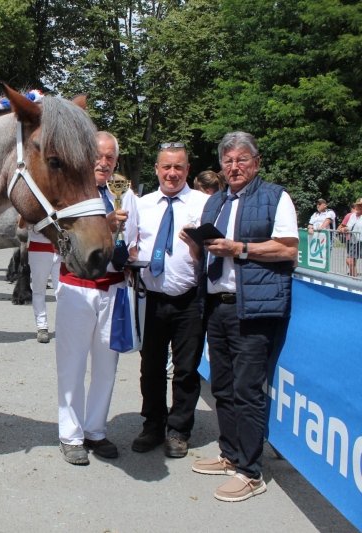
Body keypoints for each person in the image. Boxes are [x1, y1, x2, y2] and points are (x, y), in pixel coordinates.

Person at [182, 131, 298, 502]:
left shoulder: (276, 197)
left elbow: (287, 249)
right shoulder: (214, 201)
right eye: (228, 161)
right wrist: (196, 248)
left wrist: (240, 248)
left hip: (254, 308)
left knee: (248, 390)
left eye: (242, 160)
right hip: (216, 305)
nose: (234, 167)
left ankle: (251, 470)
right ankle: (230, 453)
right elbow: (209, 256)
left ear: (256, 162)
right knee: (222, 387)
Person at [55, 131, 138, 464]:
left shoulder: (125, 193)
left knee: (107, 367)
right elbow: (63, 239)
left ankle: (96, 430)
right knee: (72, 366)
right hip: (77, 286)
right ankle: (71, 436)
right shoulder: (71, 192)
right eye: (98, 157)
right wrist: (103, 225)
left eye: (110, 158)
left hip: (114, 288)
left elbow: (134, 238)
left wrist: (131, 253)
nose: (103, 164)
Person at [128, 142, 210, 458]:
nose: (172, 173)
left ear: (188, 170)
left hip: (189, 300)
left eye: (178, 167)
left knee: (187, 370)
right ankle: (152, 426)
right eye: (166, 167)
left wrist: (198, 249)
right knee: (150, 367)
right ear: (157, 169)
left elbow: (214, 252)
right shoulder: (143, 204)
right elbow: (132, 242)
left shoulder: (204, 204)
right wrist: (131, 254)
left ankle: (178, 430)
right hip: (152, 299)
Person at [19, 214, 63, 343]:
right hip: (39, 249)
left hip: (61, 249)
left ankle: (64, 326)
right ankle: (42, 327)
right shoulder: (35, 201)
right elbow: (21, 224)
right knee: (39, 290)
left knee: (63, 292)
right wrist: (25, 212)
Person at [338, 198, 362, 278]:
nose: (359, 207)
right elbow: (349, 226)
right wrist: (344, 229)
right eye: (358, 205)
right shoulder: (353, 216)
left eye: (361, 205)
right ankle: (355, 280)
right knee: (350, 261)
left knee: (351, 261)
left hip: (360, 240)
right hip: (353, 240)